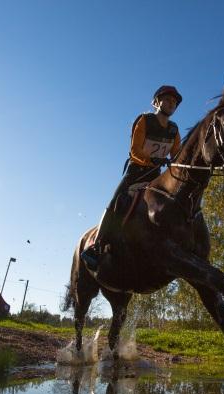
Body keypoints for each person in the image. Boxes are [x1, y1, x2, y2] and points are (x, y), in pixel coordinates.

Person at [81, 85, 183, 271]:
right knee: (115, 202)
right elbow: (135, 150)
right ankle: (96, 246)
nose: (171, 104)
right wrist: (151, 159)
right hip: (136, 171)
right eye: (168, 100)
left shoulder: (174, 130)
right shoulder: (144, 120)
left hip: (155, 176)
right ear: (157, 102)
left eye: (174, 102)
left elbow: (177, 154)